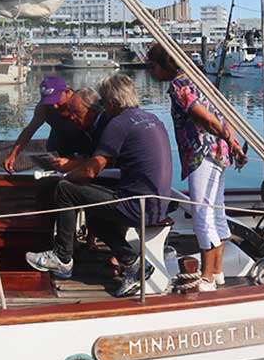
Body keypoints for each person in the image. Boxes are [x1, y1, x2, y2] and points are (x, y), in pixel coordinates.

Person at [26, 73, 173, 298]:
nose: (102, 107)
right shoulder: (151, 118)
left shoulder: (119, 124)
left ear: (113, 103)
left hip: (137, 205)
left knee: (66, 189)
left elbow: (91, 170)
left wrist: (63, 176)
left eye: (104, 102)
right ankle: (132, 263)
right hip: (158, 203)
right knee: (94, 215)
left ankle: (63, 258)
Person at [145, 43, 247, 291]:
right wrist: (231, 143)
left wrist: (232, 142)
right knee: (216, 212)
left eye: (153, 66)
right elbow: (224, 115)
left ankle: (207, 277)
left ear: (164, 65)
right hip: (218, 154)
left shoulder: (179, 85)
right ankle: (219, 271)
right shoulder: (200, 80)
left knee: (202, 215)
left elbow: (208, 118)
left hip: (201, 154)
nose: (151, 72)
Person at [3, 76, 92, 173]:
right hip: (58, 146)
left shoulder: (80, 103)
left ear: (67, 92)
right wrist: (13, 155)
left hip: (83, 146)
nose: (54, 106)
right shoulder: (44, 108)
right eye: (49, 102)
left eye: (56, 100)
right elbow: (29, 130)